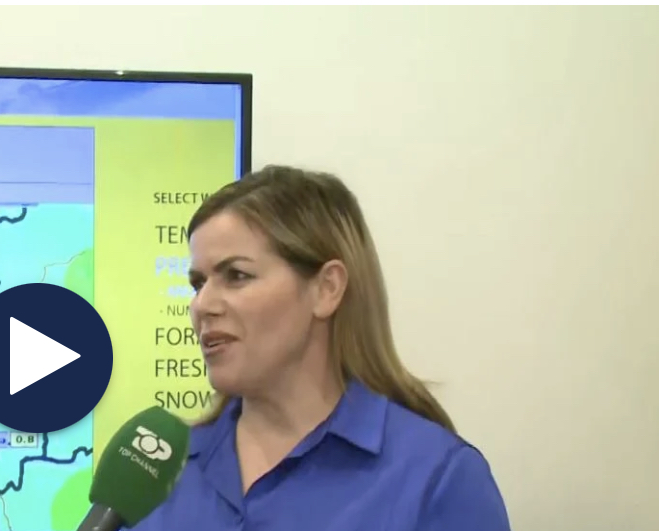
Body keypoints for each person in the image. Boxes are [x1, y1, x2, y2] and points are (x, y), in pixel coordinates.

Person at [129, 166, 511, 530]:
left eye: (237, 276)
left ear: (327, 289)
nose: (202, 305)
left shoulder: (437, 479)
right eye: (198, 283)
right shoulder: (155, 471)